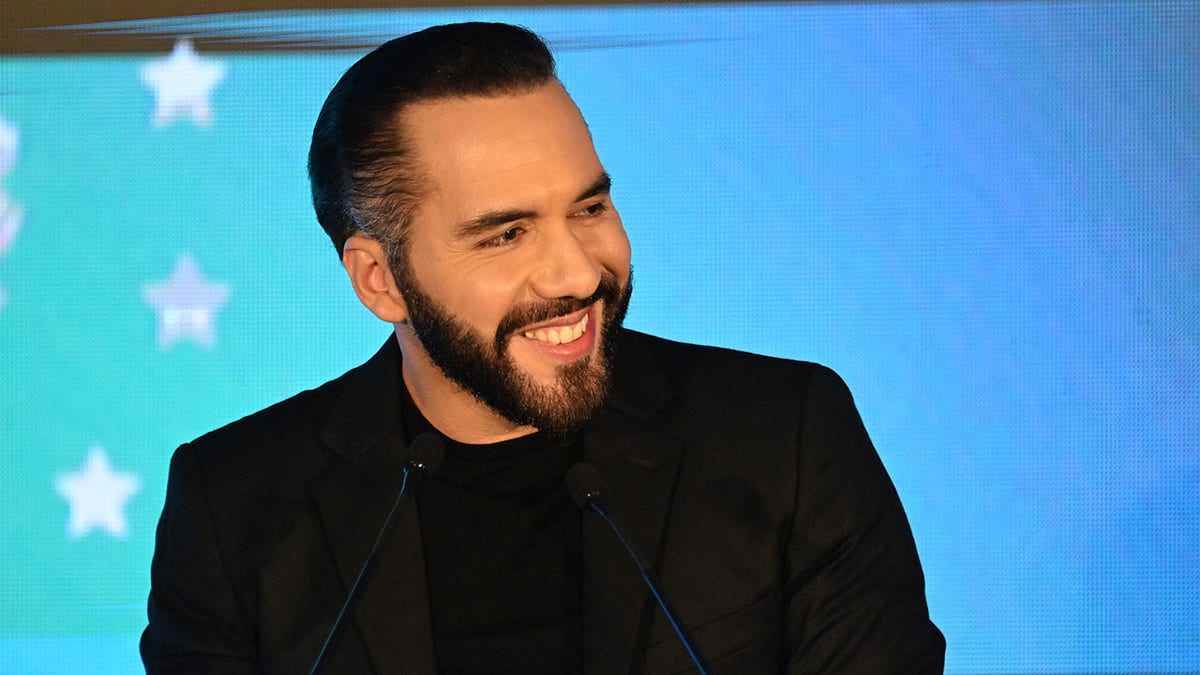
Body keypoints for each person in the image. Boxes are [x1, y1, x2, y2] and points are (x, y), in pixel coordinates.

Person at [141, 22, 945, 674]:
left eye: (589, 208)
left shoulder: (785, 438)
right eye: (507, 234)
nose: (579, 272)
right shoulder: (233, 505)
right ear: (380, 281)